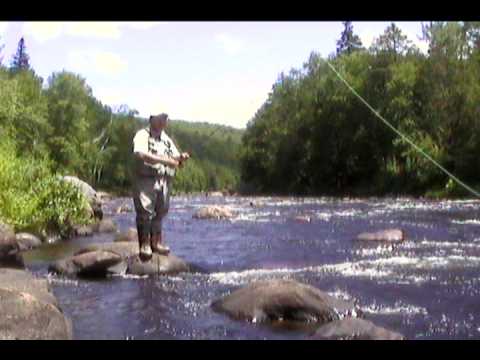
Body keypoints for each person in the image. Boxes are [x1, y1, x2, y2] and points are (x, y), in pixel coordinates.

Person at [132, 113, 190, 261]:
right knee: (145, 212)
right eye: (161, 118)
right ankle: (144, 245)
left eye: (165, 118)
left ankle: (156, 243)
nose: (164, 121)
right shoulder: (142, 135)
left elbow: (175, 159)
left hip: (164, 180)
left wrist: (181, 158)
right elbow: (140, 154)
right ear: (152, 119)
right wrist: (166, 160)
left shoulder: (167, 140)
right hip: (145, 179)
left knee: (160, 211)